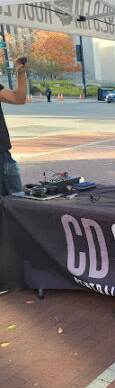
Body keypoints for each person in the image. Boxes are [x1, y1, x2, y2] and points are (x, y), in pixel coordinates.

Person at [0, 56, 27, 295]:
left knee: (20, 208)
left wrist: (20, 73)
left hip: (4, 157)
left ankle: (22, 266)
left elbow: (19, 99)